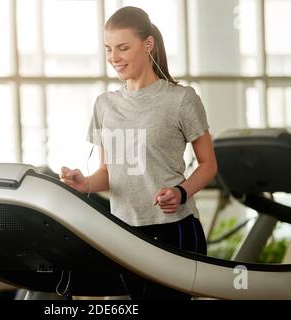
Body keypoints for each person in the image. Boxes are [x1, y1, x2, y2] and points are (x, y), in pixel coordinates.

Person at [59, 6, 217, 300]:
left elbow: (208, 165)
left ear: (148, 44)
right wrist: (86, 184)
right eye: (108, 49)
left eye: (122, 48)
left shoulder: (181, 99)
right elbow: (110, 172)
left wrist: (181, 192)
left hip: (174, 229)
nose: (113, 58)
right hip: (124, 230)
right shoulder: (105, 104)